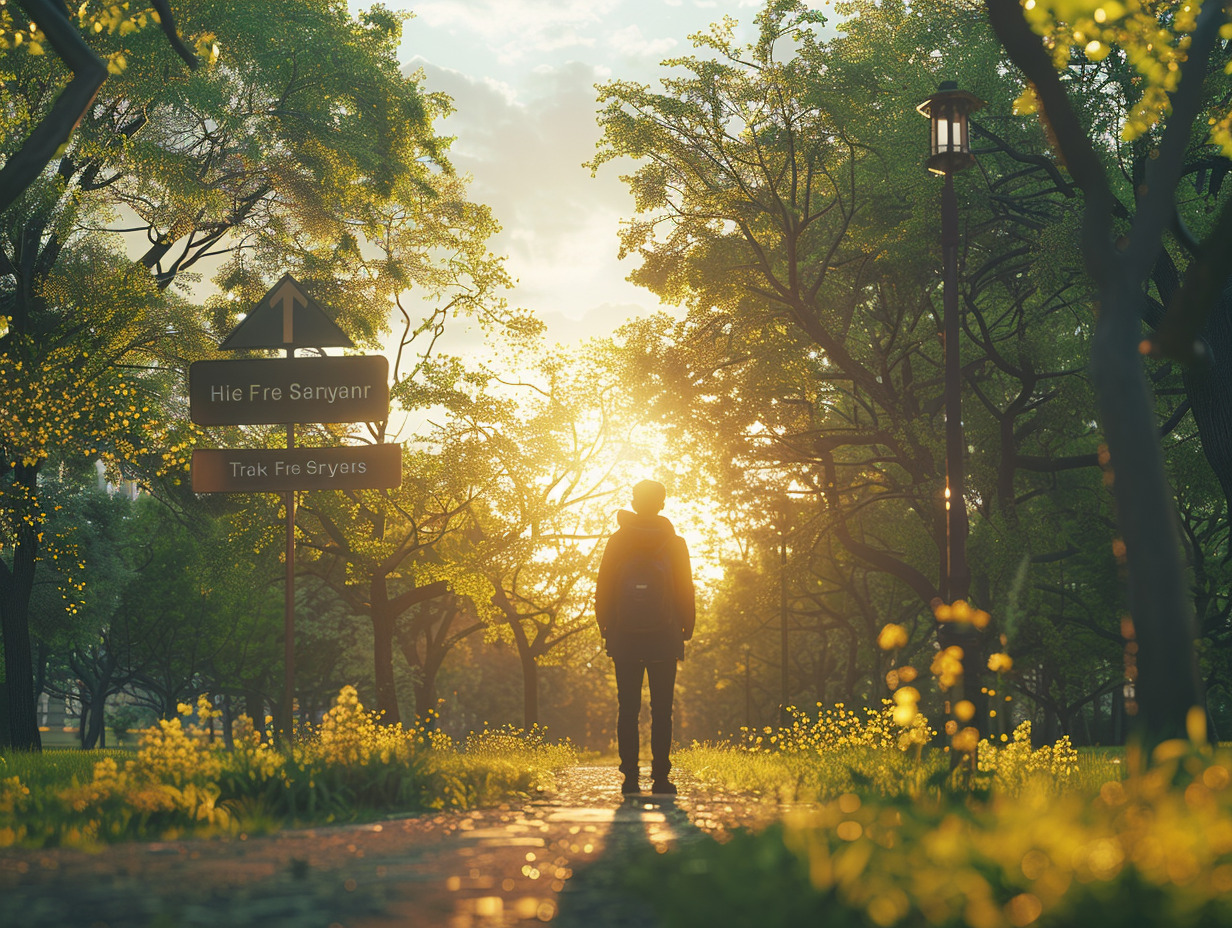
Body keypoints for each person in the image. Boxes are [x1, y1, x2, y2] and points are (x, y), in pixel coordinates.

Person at [595, 479, 696, 795]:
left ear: (634, 502)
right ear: (662, 503)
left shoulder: (617, 541)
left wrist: (606, 627)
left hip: (624, 636)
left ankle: (630, 778)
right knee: (662, 709)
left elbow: (604, 588)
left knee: (627, 708)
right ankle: (661, 778)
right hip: (665, 637)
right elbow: (685, 587)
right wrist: (687, 627)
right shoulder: (675, 543)